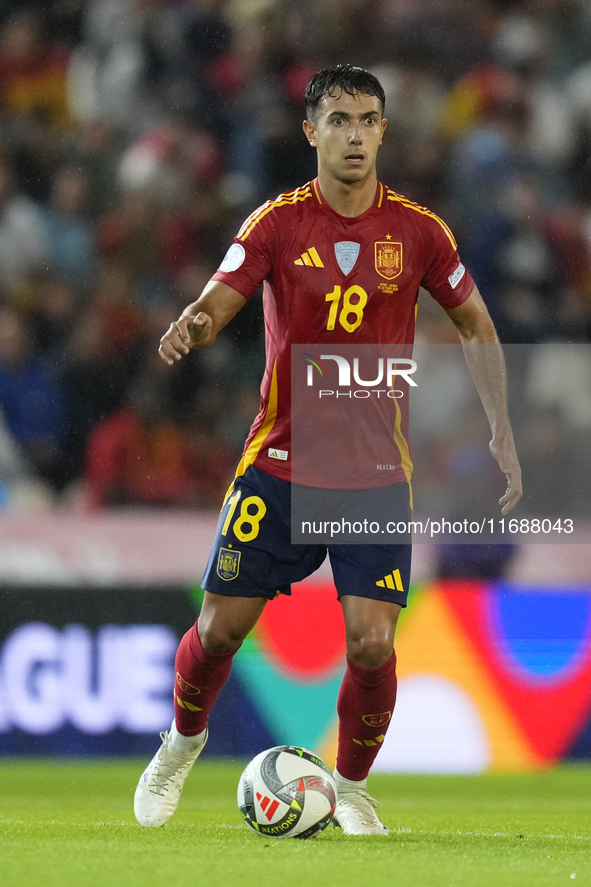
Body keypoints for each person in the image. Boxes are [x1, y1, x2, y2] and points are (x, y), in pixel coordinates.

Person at [134, 64, 522, 835]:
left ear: (383, 130)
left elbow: (476, 322)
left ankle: (348, 786)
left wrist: (500, 427)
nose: (354, 134)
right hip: (278, 464)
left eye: (367, 120)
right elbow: (220, 298)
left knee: (372, 643)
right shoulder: (277, 224)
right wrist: (195, 323)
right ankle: (180, 744)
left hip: (373, 475)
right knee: (216, 631)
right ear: (311, 131)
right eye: (338, 120)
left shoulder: (418, 232)